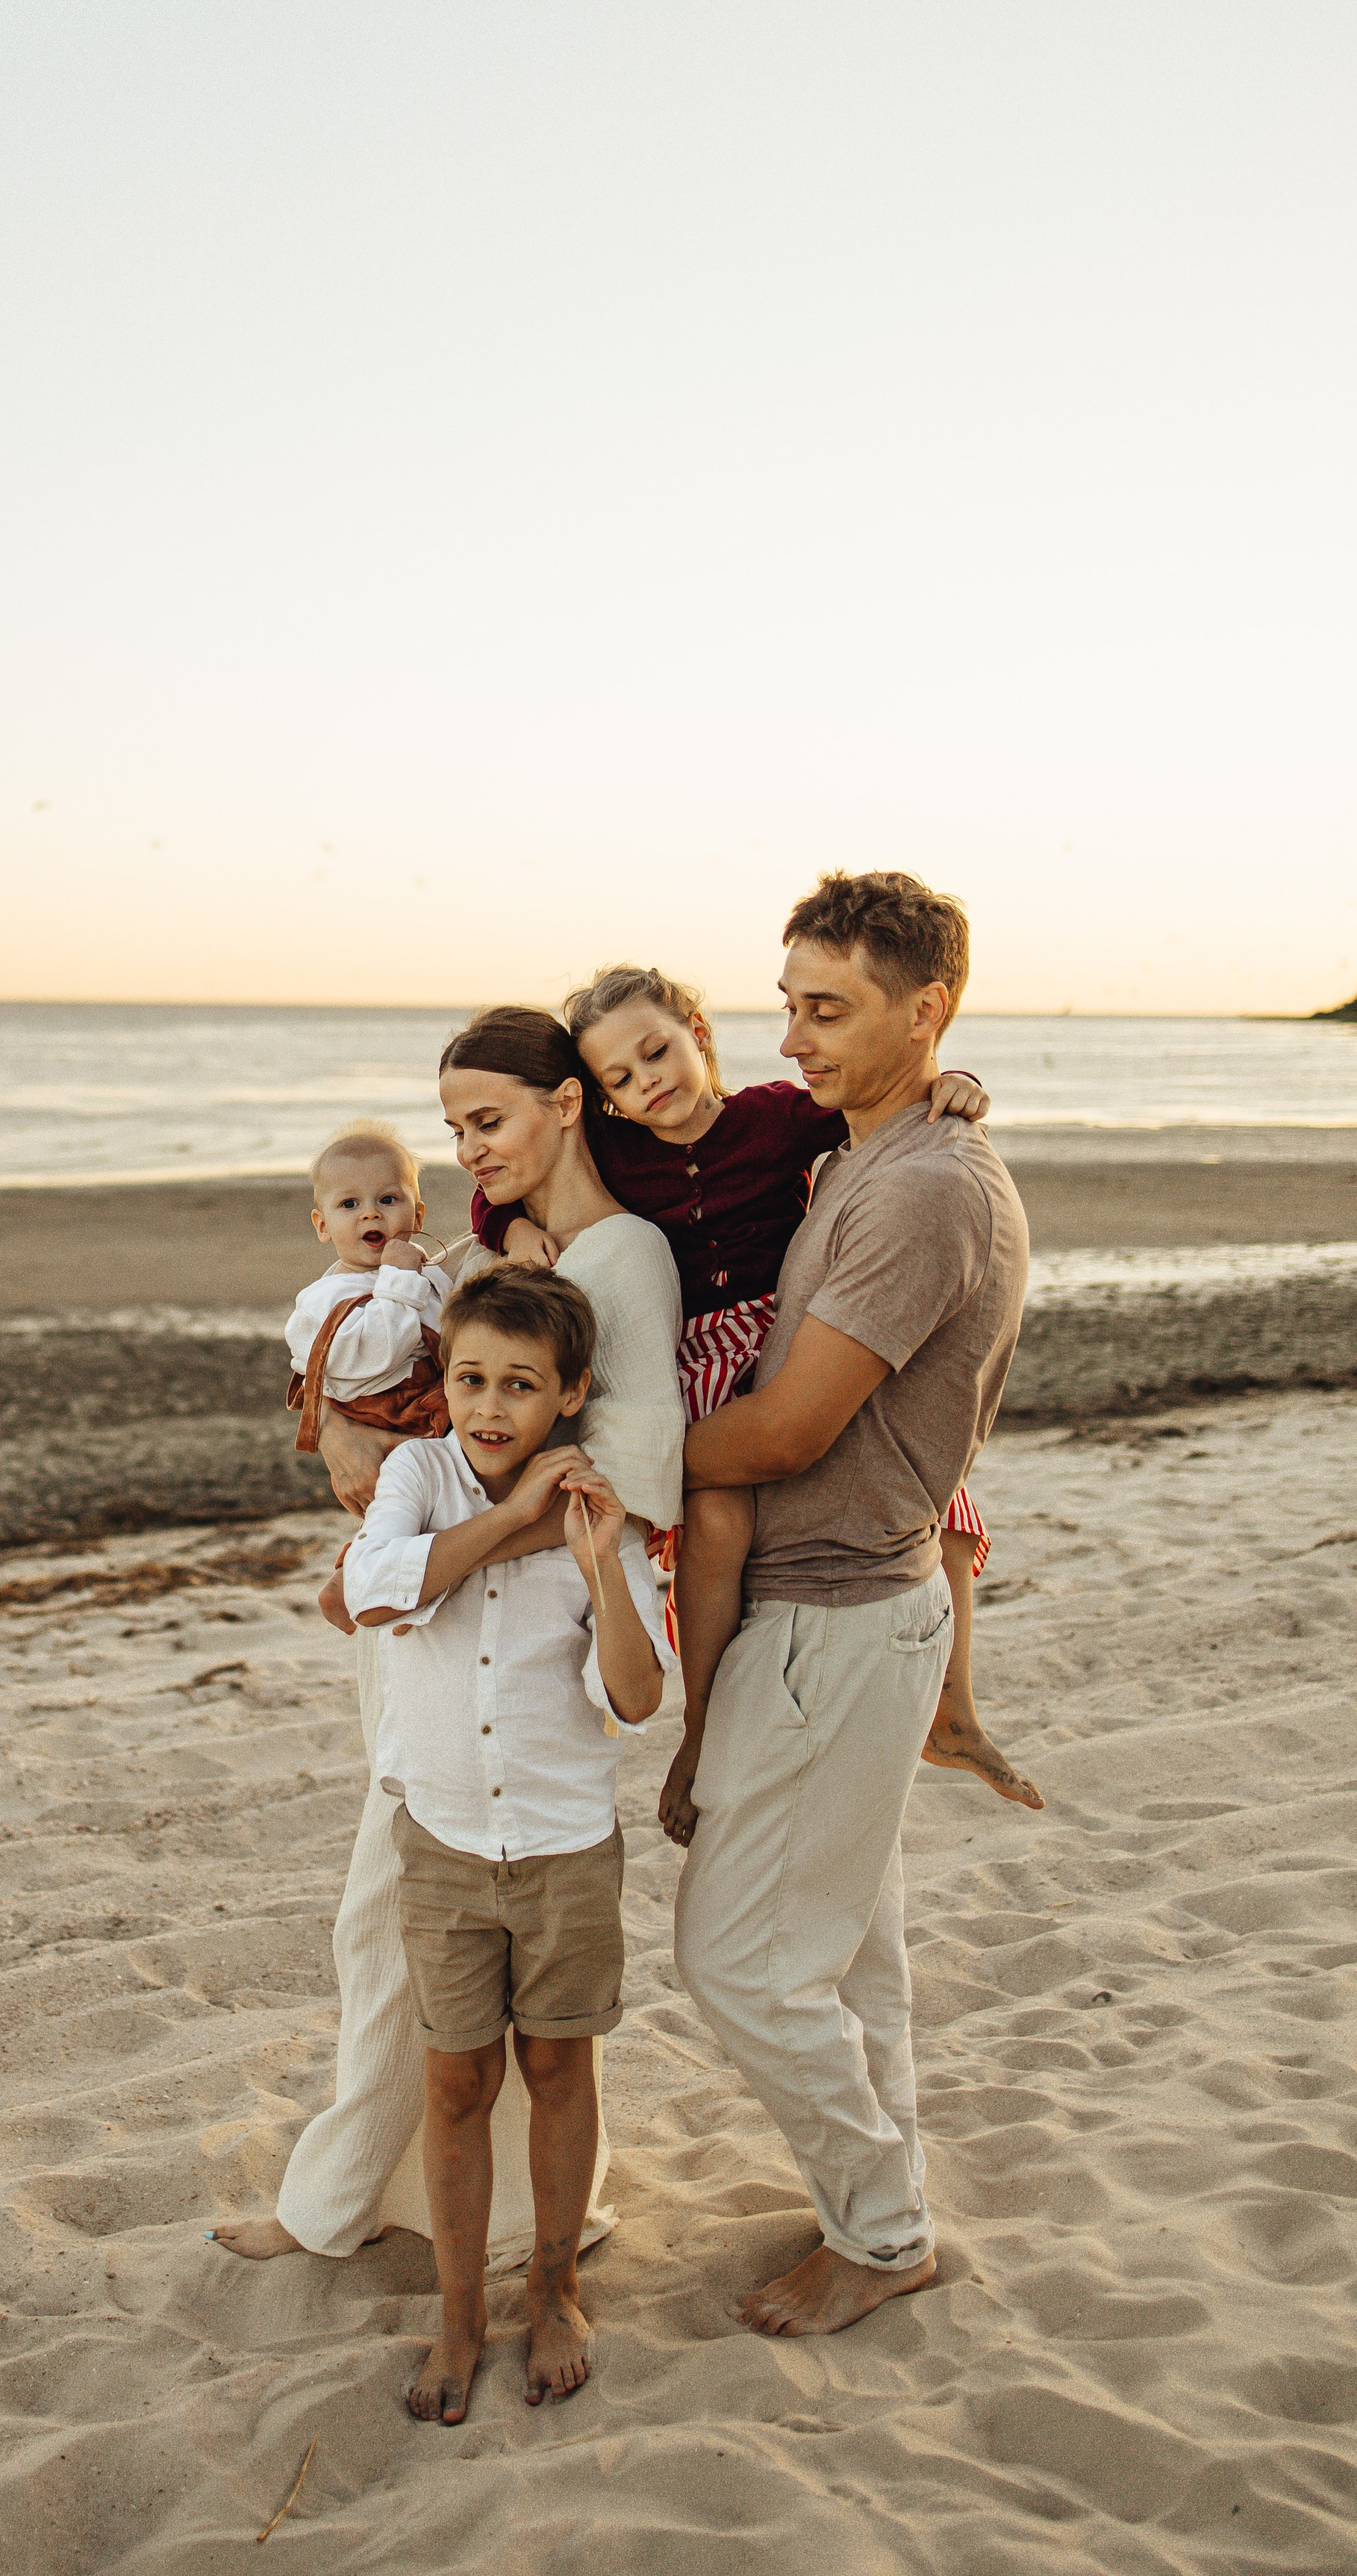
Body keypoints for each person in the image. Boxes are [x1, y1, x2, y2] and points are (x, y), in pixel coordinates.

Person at [210, 1006, 682, 2268]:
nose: (467, 1152)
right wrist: (344, 1447)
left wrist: (426, 1560)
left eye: (487, 1122)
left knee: (395, 1927)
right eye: (455, 1129)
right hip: (421, 1623)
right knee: (402, 1934)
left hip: (502, 1632)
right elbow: (403, 1387)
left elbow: (623, 1478)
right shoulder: (496, 1243)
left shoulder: (623, 1255)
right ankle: (388, 2201)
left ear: (566, 1106)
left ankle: (354, 2208)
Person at [670, 872, 1029, 2338]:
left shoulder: (927, 1188)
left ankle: (880, 2235)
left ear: (921, 1010)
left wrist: (591, 1459)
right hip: (842, 1617)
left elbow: (783, 1432)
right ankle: (885, 2209)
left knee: (736, 1961)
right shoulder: (868, 1159)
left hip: (834, 1618)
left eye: (827, 1010)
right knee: (841, 1945)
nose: (794, 1038)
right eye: (787, 1005)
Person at [475, 966, 1039, 1813]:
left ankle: (953, 1706)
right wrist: (509, 1225)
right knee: (718, 1516)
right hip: (702, 1351)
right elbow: (508, 1176)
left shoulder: (772, 1115)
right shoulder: (616, 1150)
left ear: (697, 1032)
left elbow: (882, 1094)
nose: (646, 1083)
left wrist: (960, 1083)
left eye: (656, 1053)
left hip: (786, 1331)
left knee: (948, 1508)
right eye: (618, 1081)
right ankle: (702, 1724)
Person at [343, 1266, 670, 2421]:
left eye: (521, 1386)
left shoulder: (597, 1511)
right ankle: (458, 2315)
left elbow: (634, 1697)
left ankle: (556, 2285)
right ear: (444, 1380)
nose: (491, 1405)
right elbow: (372, 1589)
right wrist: (511, 1519)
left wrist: (589, 1556)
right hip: (441, 1843)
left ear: (568, 1393)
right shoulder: (416, 1475)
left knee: (556, 2066)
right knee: (457, 2080)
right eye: (471, 1377)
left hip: (567, 1845)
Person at [285, 1121, 451, 1454]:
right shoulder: (324, 1299)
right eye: (350, 1205)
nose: (371, 1214)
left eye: (388, 1199)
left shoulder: (424, 1270)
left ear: (417, 1217)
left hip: (437, 1400)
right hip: (387, 1413)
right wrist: (399, 1278)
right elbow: (379, 1353)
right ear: (323, 1226)